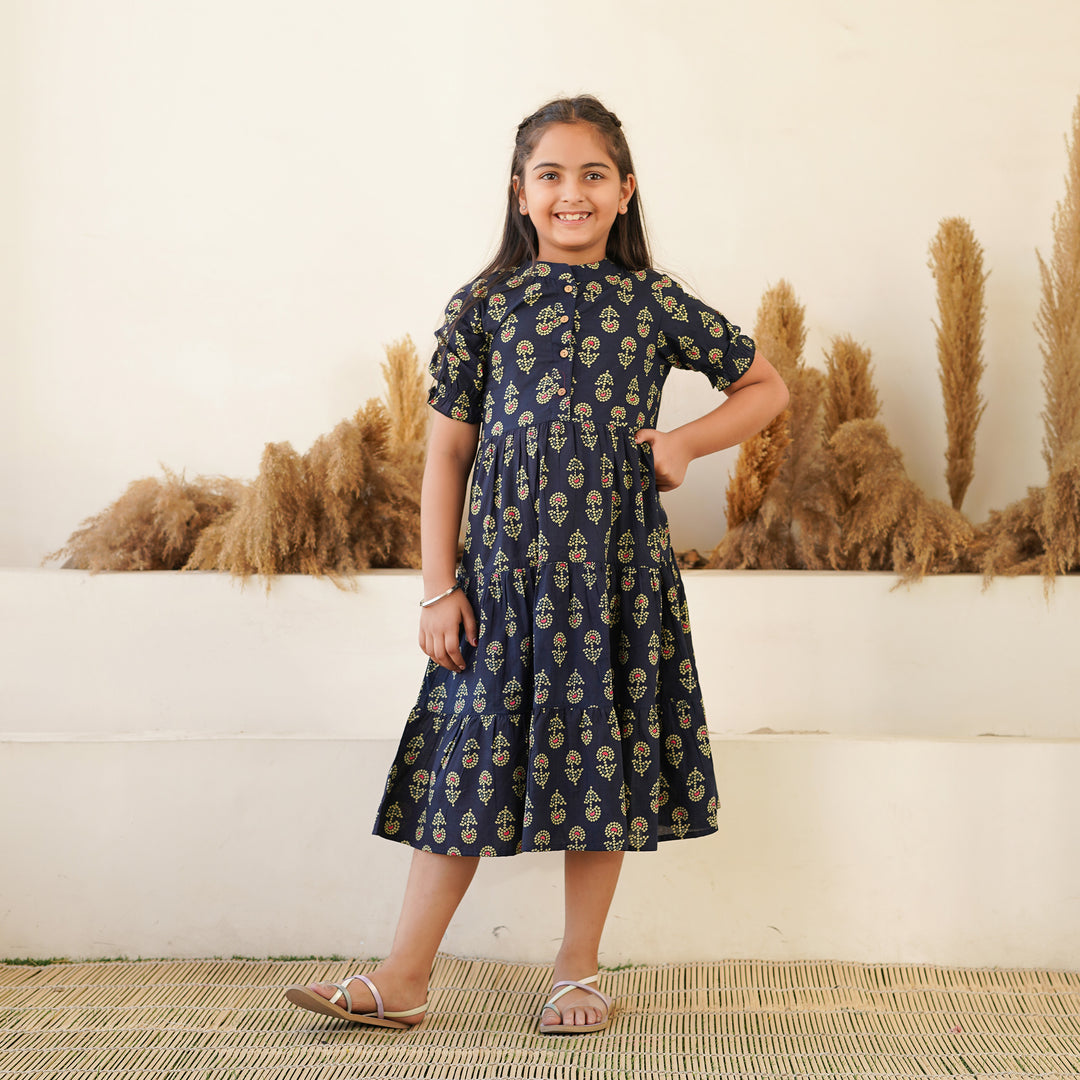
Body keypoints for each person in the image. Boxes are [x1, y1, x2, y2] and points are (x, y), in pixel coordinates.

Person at [285, 94, 789, 1035]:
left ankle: (576, 971)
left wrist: (683, 442)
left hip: (614, 578)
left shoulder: (653, 302)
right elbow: (446, 456)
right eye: (550, 175)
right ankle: (403, 976)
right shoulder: (483, 306)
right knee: (469, 757)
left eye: (593, 174)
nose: (572, 193)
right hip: (501, 583)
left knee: (603, 759)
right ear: (520, 193)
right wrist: (438, 588)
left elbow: (766, 386)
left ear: (625, 189)